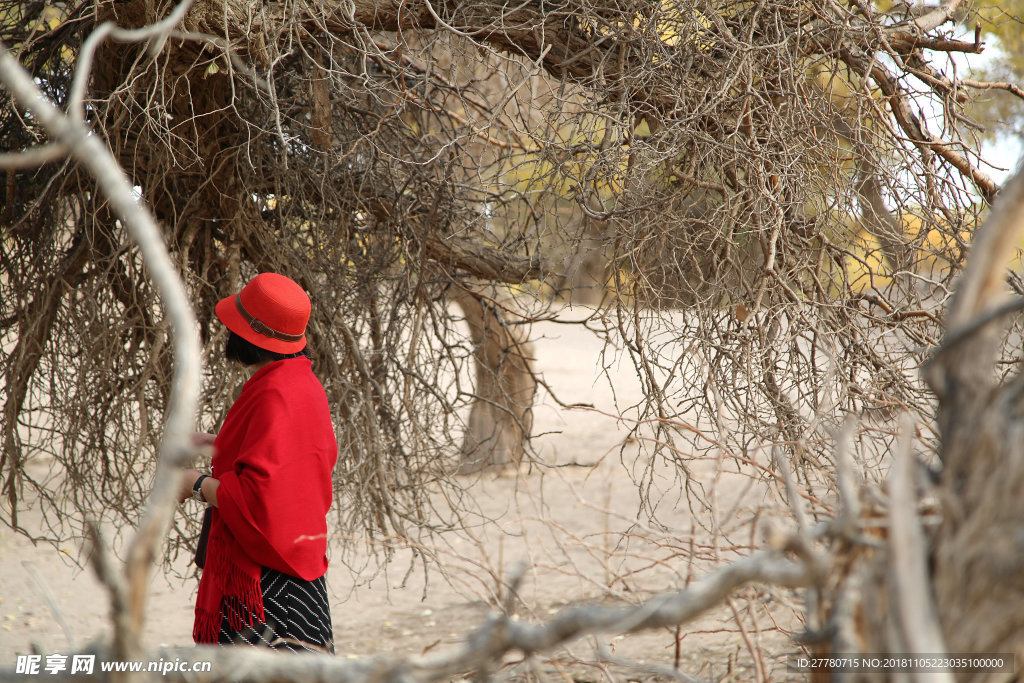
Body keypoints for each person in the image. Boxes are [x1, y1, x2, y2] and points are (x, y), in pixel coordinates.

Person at [178, 272, 337, 653]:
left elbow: (258, 496)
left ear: (247, 338)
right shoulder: (301, 382)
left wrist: (196, 484)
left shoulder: (273, 394)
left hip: (265, 585)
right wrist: (215, 444)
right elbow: (285, 461)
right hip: (300, 568)